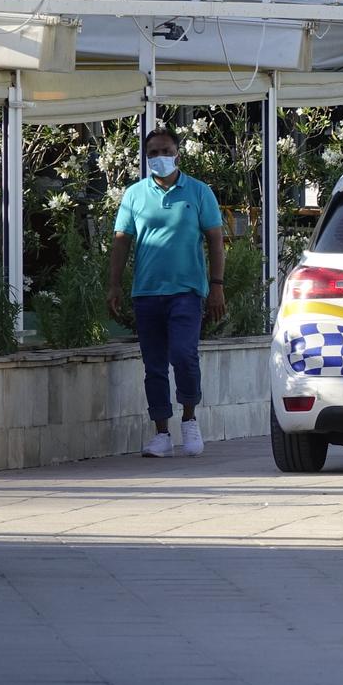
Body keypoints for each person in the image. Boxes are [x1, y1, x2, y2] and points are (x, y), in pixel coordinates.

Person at [106, 127, 226, 459]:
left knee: (184, 355)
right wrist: (114, 285)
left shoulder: (199, 192)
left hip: (187, 291)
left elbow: (215, 240)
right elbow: (121, 241)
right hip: (146, 292)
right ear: (146, 158)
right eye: (153, 153)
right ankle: (161, 431)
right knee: (154, 364)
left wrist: (217, 286)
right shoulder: (134, 194)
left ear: (178, 153)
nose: (160, 158)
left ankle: (189, 418)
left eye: (165, 151)